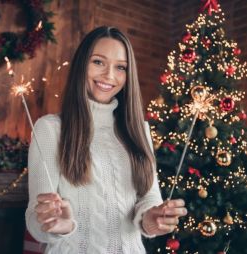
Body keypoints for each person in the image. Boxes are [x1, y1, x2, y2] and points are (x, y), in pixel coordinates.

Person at [25, 26, 187, 254]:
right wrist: (57, 226)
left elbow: (149, 197)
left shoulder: (139, 130)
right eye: (98, 62)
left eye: (120, 67)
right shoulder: (50, 129)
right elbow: (35, 215)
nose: (109, 75)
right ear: (82, 64)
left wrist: (152, 219)